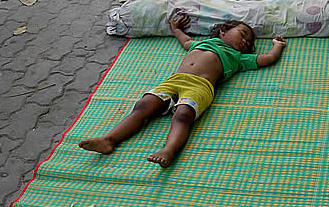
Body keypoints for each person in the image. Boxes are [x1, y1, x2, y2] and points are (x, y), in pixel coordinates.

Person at [78, 13, 287, 167]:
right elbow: (185, 41)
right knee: (142, 106)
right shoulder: (204, 42)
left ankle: (169, 150)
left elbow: (266, 59)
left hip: (200, 86)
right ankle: (109, 140)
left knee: (183, 115)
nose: (245, 42)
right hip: (174, 81)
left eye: (249, 42)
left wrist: (277, 45)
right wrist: (175, 28)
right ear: (223, 30)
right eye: (242, 34)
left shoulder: (238, 58)